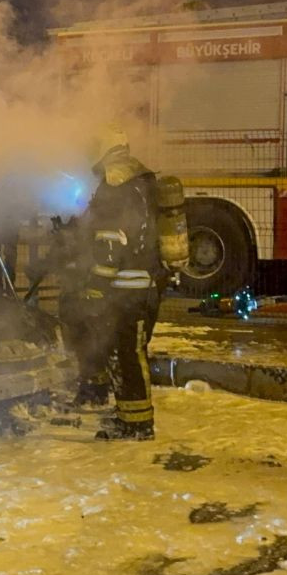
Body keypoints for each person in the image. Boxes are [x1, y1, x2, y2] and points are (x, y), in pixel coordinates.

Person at [57, 128, 164, 441]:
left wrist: (97, 285)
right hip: (143, 283)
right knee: (126, 352)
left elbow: (110, 242)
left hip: (125, 288)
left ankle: (138, 425)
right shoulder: (144, 182)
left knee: (128, 354)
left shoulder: (115, 186)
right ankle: (127, 416)